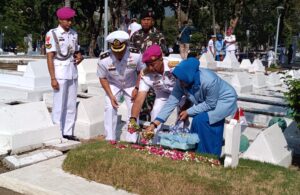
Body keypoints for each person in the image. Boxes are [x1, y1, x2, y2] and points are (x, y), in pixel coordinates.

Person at [145, 57, 237, 156]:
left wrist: (188, 112)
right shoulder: (181, 81)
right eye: (178, 80)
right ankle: (199, 153)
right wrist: (154, 124)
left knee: (201, 120)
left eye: (181, 80)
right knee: (199, 121)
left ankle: (208, 155)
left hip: (224, 100)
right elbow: (171, 103)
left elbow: (210, 104)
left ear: (188, 76)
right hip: (209, 103)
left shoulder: (209, 81)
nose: (179, 83)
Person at [97, 30, 145, 143]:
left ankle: (132, 140)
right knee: (109, 107)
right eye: (115, 51)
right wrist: (110, 95)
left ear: (126, 46)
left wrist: (137, 88)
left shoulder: (136, 54)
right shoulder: (104, 58)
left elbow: (141, 72)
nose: (118, 54)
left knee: (134, 109)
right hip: (114, 85)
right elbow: (102, 77)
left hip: (131, 84)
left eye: (121, 51)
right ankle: (110, 139)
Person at [128, 45, 181, 142]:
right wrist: (133, 119)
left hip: (182, 94)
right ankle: (155, 143)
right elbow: (139, 99)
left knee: (182, 118)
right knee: (155, 111)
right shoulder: (146, 74)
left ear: (161, 59)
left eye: (153, 64)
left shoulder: (176, 65)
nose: (150, 68)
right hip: (163, 94)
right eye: (148, 65)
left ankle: (181, 145)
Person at [46, 7, 83, 141]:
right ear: (60, 20)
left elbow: (76, 51)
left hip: (72, 71)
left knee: (71, 104)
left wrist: (80, 56)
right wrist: (53, 78)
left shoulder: (74, 34)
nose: (69, 23)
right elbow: (50, 57)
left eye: (71, 20)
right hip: (60, 72)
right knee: (58, 104)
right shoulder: (53, 34)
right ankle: (57, 133)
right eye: (67, 20)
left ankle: (68, 132)